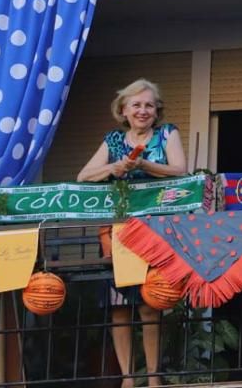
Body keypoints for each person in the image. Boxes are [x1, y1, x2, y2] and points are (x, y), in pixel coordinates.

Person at [77, 79, 186, 388]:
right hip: (118, 232)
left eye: (149, 105)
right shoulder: (112, 140)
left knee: (151, 303)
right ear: (123, 110)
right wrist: (113, 168)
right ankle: (127, 378)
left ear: (157, 110)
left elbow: (180, 169)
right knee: (119, 307)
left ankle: (153, 377)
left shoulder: (168, 133)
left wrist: (144, 163)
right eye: (136, 105)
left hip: (157, 229)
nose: (143, 110)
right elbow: (83, 176)